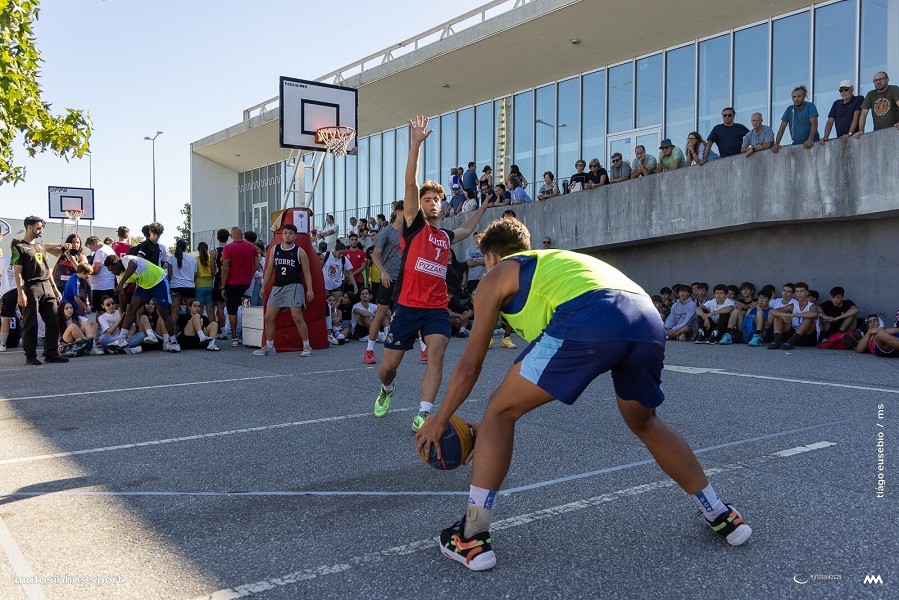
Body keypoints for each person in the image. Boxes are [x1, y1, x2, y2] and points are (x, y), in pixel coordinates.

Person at [416, 217, 751, 572]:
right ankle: (720, 513)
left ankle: (471, 536)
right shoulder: (554, 265)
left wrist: (440, 418)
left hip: (591, 313)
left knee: (500, 410)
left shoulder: (496, 277)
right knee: (646, 422)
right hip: (646, 317)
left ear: (492, 257)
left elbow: (471, 364)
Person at [373, 115, 488, 432]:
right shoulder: (414, 227)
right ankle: (386, 389)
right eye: (427, 199)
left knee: (436, 355)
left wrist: (482, 209)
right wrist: (416, 143)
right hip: (408, 306)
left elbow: (465, 229)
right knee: (388, 368)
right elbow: (410, 182)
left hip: (437, 308)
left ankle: (424, 412)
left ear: (442, 205)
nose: (433, 203)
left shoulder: (444, 236)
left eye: (437, 199)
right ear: (419, 205)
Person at [10, 218, 69, 365]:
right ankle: (30, 356)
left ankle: (51, 353)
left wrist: (55, 288)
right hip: (31, 287)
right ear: (29, 227)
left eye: (41, 228)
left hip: (47, 287)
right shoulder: (19, 247)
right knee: (31, 322)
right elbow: (17, 272)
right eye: (38, 228)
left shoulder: (40, 247)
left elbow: (47, 269)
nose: (41, 231)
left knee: (53, 321)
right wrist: (20, 292)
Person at [254, 223, 314, 357]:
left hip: (294, 285)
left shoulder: (300, 251)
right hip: (277, 286)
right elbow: (269, 269)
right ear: (282, 235)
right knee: (268, 317)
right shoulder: (275, 249)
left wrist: (310, 289)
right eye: (285, 232)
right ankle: (270, 347)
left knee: (297, 316)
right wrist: (264, 286)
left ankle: (306, 346)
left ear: (295, 236)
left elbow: (307, 272)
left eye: (290, 233)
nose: (288, 235)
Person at [105, 254, 180, 352]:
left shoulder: (126, 260)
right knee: (132, 308)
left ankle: (174, 342)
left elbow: (134, 264)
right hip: (144, 286)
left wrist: (121, 283)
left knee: (164, 313)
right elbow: (122, 295)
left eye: (113, 270)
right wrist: (122, 314)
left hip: (159, 281)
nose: (113, 273)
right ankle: (121, 340)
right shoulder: (120, 276)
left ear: (116, 264)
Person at [363, 202, 404, 365]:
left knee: (415, 312)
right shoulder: (386, 232)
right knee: (380, 315)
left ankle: (424, 349)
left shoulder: (409, 233)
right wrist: (383, 272)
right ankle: (369, 350)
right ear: (398, 212)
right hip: (388, 279)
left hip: (405, 280)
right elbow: (375, 256)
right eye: (407, 209)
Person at [219, 227, 258, 347]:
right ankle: (248, 336)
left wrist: (222, 286)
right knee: (247, 308)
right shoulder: (251, 247)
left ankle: (234, 338)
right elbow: (256, 265)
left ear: (232, 236)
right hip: (247, 282)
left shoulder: (228, 248)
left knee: (232, 310)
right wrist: (249, 275)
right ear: (241, 235)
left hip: (232, 283)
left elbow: (225, 268)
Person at [767, 281, 818, 350]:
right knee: (778, 315)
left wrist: (793, 315)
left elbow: (814, 314)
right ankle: (777, 340)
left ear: (807, 293)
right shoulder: (793, 306)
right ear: (795, 294)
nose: (799, 293)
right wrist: (783, 315)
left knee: (808, 317)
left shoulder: (812, 306)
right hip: (791, 337)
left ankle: (791, 341)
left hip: (807, 338)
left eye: (802, 291)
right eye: (797, 291)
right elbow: (772, 311)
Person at [773, 86, 819, 152]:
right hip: (797, 145)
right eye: (794, 97)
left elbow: (814, 123)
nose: (796, 99)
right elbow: (782, 128)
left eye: (799, 96)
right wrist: (776, 144)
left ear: (804, 96)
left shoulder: (810, 106)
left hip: (812, 144)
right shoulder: (789, 109)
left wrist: (810, 139)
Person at [853, 72, 899, 137]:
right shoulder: (871, 94)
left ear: (887, 79)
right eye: (876, 80)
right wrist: (861, 131)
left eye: (881, 79)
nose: (878, 82)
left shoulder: (894, 89)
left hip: (895, 130)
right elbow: (863, 115)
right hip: (878, 133)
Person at [167, 238, 197, 318]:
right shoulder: (192, 258)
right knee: (191, 310)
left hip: (175, 286)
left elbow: (169, 274)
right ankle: (190, 329)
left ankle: (173, 330)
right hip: (189, 286)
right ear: (185, 247)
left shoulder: (172, 258)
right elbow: (195, 273)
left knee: (174, 311)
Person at [211, 228, 230, 336]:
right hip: (230, 279)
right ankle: (234, 331)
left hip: (219, 279)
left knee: (220, 307)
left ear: (218, 238)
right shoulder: (231, 249)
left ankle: (223, 331)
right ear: (228, 238)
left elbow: (212, 269)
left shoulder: (214, 251)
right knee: (232, 306)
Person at [194, 242, 215, 320]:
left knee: (199, 310)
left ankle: (200, 328)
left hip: (199, 285)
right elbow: (214, 272)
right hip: (210, 285)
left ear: (198, 250)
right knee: (210, 310)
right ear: (207, 249)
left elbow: (194, 273)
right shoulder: (211, 258)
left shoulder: (195, 259)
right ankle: (213, 328)